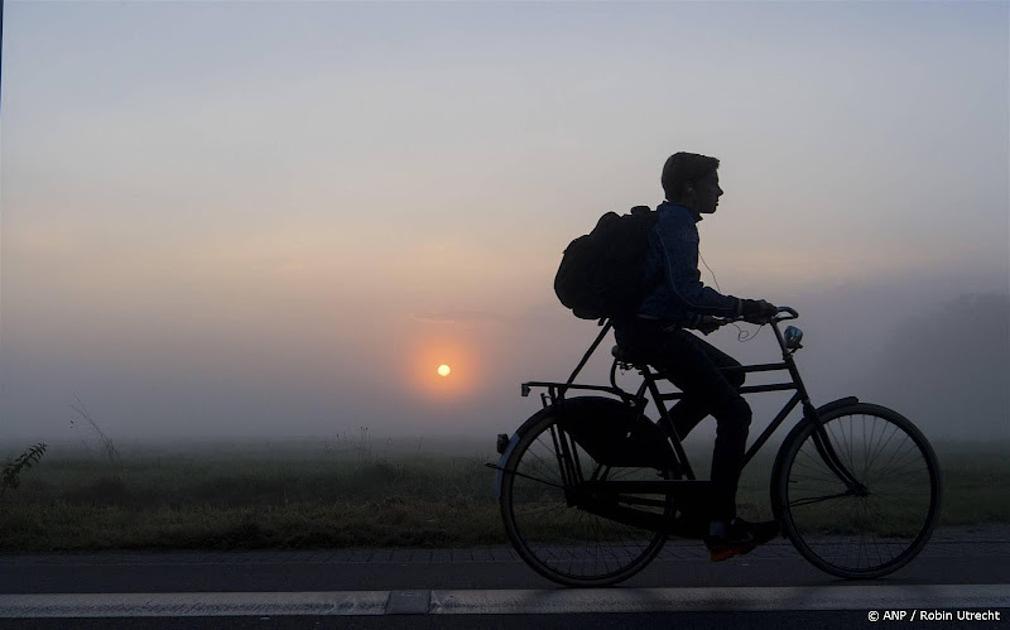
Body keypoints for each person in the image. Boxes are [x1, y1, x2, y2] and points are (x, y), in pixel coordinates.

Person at [613, 151, 780, 562]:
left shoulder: (672, 220)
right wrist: (743, 307)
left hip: (649, 327)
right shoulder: (678, 223)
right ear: (689, 188)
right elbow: (685, 289)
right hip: (652, 333)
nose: (720, 191)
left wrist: (699, 318)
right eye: (713, 182)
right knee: (736, 413)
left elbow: (669, 293)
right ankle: (720, 525)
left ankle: (658, 445)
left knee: (731, 374)